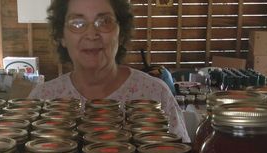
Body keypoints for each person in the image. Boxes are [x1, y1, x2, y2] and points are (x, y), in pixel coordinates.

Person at [28, 0, 190, 142]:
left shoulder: (156, 93)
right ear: (61, 36)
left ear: (120, 34)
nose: (91, 34)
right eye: (77, 23)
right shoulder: (42, 98)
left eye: (105, 21)